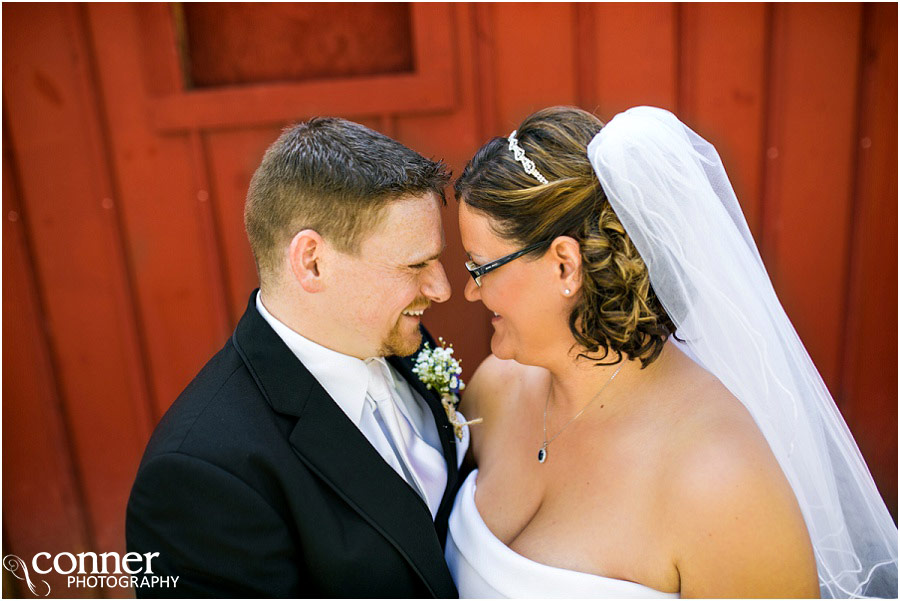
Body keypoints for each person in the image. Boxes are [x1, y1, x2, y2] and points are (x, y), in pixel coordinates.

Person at [446, 106, 898, 598]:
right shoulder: (496, 388)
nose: (470, 292)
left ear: (564, 267)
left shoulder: (722, 484)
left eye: (480, 268)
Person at [126, 117, 468, 597]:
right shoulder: (200, 477)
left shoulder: (399, 336)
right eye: (415, 265)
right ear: (312, 262)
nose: (442, 289)